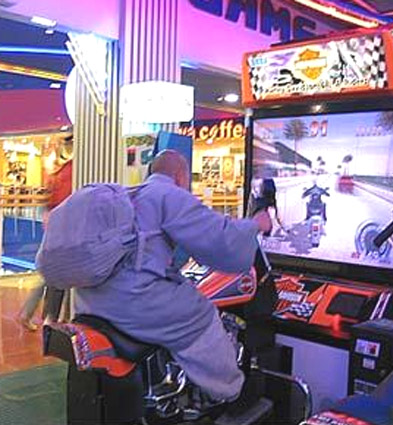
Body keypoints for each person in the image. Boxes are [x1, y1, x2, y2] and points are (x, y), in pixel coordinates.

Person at [74, 149, 272, 403]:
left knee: (176, 297)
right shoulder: (168, 194)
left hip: (92, 298)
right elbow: (218, 237)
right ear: (180, 176)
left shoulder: (129, 193)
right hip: (133, 301)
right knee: (201, 313)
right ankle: (230, 392)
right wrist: (255, 224)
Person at [18, 135, 73, 331]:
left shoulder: (57, 170)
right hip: (66, 227)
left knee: (51, 273)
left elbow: (50, 197)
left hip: (54, 224)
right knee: (59, 274)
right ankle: (51, 318)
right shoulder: (72, 169)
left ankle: (37, 314)